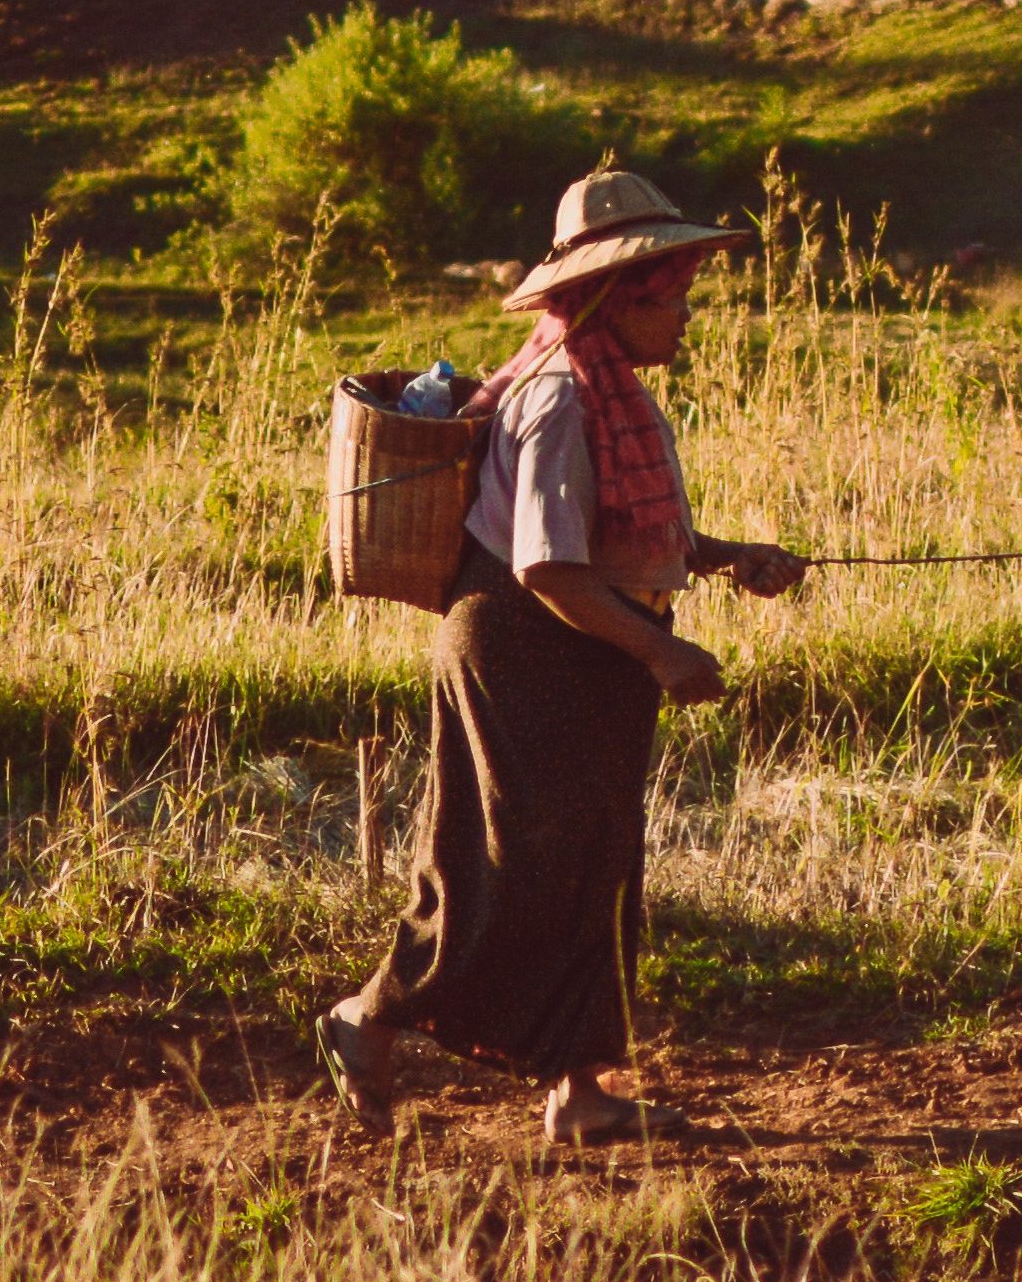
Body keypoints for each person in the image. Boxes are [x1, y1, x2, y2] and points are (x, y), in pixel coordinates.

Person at [320, 167, 806, 1142]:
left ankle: (580, 1092)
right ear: (614, 297)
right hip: (527, 647)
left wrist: (721, 556)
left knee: (594, 865)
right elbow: (546, 565)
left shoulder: (607, 391)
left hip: (582, 647)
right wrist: (662, 651)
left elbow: (608, 535)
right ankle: (366, 1017)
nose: (684, 313)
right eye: (669, 295)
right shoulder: (562, 398)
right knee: (509, 870)